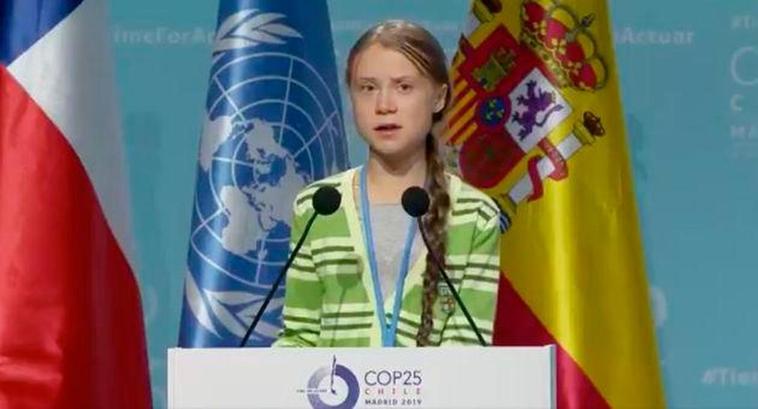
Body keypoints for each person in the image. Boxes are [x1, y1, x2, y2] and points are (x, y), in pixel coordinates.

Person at [273, 20, 501, 347]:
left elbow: (467, 347)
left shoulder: (474, 214)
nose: (384, 105)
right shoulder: (318, 207)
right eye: (367, 88)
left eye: (403, 87)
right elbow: (300, 337)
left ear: (438, 98)